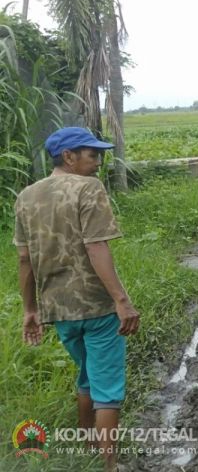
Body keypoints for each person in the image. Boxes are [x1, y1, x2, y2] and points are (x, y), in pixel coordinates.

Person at [14, 127, 140, 471]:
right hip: (96, 305)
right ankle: (109, 464)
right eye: (92, 154)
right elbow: (95, 244)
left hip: (58, 309)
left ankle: (86, 447)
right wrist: (121, 300)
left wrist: (30, 309)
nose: (98, 161)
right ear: (68, 157)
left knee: (87, 373)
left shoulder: (26, 196)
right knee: (108, 386)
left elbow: (25, 260)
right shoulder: (88, 188)